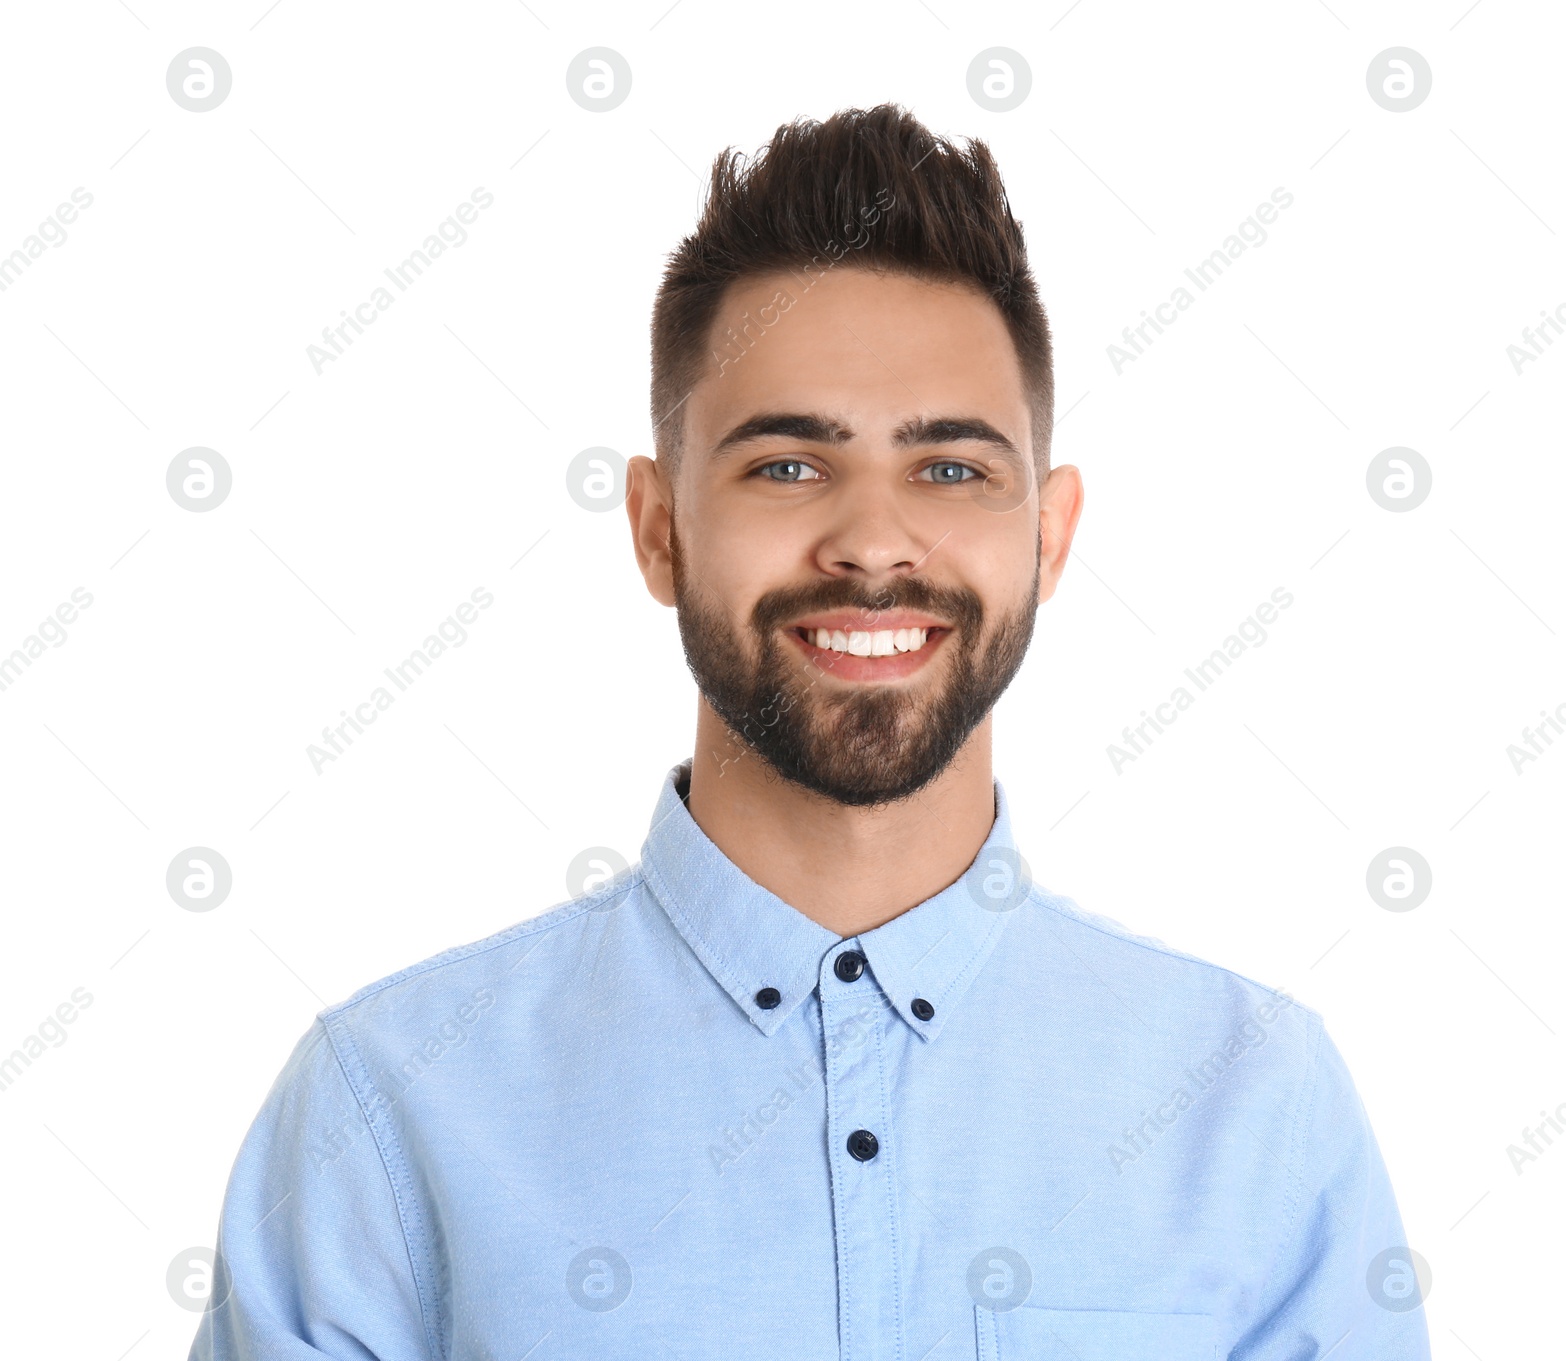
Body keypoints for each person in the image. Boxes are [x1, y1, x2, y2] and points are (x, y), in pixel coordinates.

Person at [190, 104, 1430, 1360]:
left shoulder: (1254, 1102)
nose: (874, 541)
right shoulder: (389, 1107)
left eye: (950, 469)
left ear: (1048, 537)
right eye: (787, 465)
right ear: (658, 526)